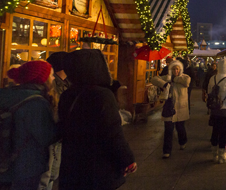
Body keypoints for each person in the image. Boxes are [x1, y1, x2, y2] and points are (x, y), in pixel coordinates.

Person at [58, 49, 136, 189]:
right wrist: (127, 159)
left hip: (73, 164)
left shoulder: (68, 94)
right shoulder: (102, 95)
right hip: (98, 165)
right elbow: (113, 132)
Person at [0, 61, 56, 190]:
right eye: (51, 75)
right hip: (25, 167)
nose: (53, 78)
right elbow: (46, 136)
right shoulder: (37, 103)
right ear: (42, 79)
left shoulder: (4, 94)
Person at [39, 52, 69, 190]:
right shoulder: (52, 85)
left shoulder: (63, 82)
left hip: (56, 134)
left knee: (51, 172)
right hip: (52, 134)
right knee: (49, 172)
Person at [151, 59, 191, 159]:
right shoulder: (166, 78)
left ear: (180, 69)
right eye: (173, 69)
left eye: (177, 69)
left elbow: (186, 82)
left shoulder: (184, 77)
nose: (176, 71)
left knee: (180, 128)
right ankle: (166, 150)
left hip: (181, 108)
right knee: (168, 130)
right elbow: (154, 79)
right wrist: (164, 84)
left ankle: (183, 141)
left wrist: (173, 79)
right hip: (169, 107)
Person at [207, 59, 226, 163]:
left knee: (215, 131)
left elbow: (209, 93)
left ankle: (214, 155)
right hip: (225, 110)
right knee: (223, 132)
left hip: (215, 109)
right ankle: (222, 155)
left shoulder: (213, 78)